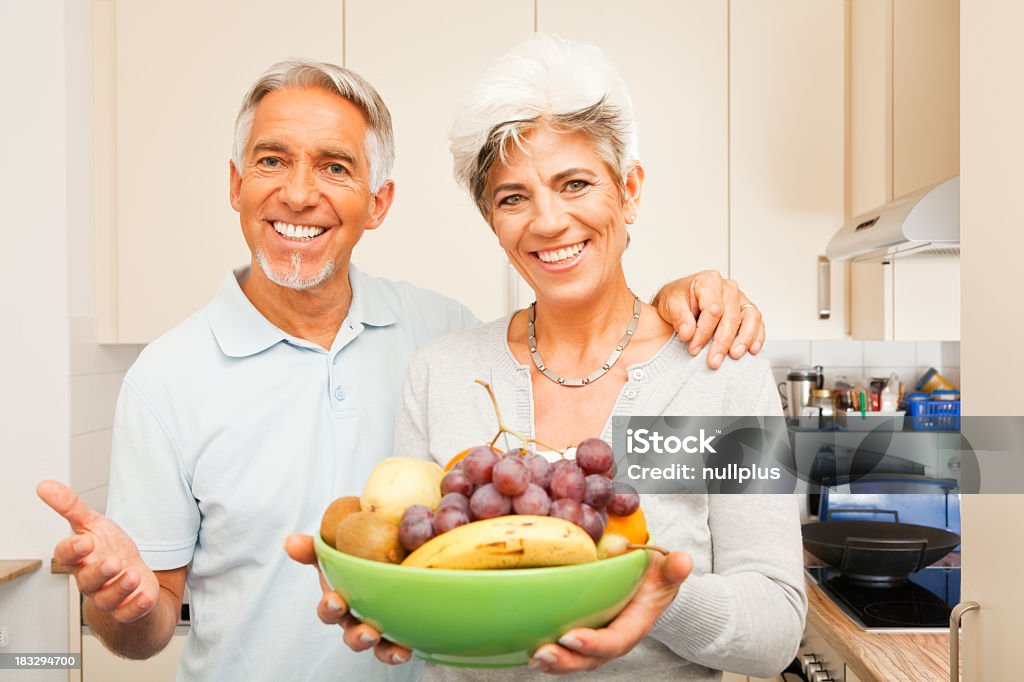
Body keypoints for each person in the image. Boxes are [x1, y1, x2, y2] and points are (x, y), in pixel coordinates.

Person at [38, 59, 766, 681]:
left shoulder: (439, 334)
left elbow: (773, 618)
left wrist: (683, 299)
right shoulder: (172, 378)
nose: (297, 193)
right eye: (271, 159)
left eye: (335, 166)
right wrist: (119, 601)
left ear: (378, 201)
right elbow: (146, 626)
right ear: (235, 184)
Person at [309, 35, 806, 679]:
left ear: (629, 191)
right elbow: (419, 574)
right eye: (512, 197)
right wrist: (388, 607)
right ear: (494, 222)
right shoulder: (444, 372)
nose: (547, 221)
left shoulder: (716, 368)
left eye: (575, 183)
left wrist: (651, 594)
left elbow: (776, 627)